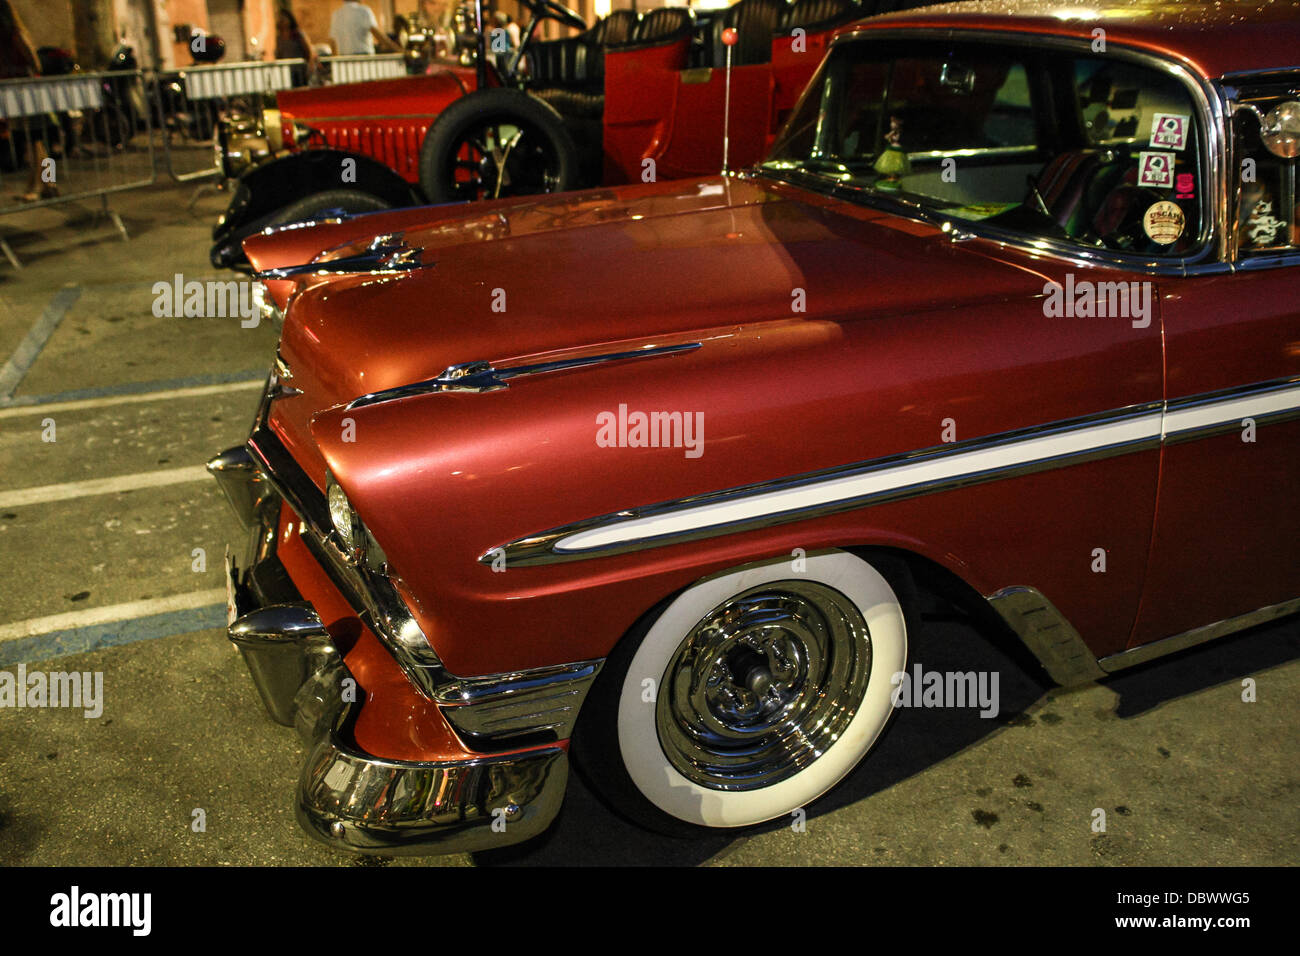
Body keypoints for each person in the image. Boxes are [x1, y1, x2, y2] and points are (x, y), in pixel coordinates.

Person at [0, 0, 56, 202]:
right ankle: (49, 183)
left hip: (25, 90)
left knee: (34, 139)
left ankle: (39, 185)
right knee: (36, 140)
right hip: (18, 90)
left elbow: (34, 62)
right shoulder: (10, 36)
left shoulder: (14, 35)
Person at [329, 0, 401, 55]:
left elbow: (332, 42)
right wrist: (400, 50)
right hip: (364, 59)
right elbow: (378, 36)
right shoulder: (364, 11)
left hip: (344, 60)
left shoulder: (336, 14)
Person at [275, 8, 318, 84]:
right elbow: (279, 54)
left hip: (300, 70)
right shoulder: (279, 38)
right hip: (287, 71)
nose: (281, 20)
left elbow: (308, 50)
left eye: (283, 18)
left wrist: (310, 66)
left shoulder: (297, 34)